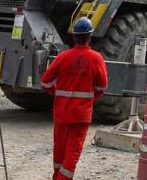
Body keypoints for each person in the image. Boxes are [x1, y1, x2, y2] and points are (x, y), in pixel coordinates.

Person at [41, 17, 108, 180]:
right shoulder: (96, 58)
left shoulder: (63, 57)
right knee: (72, 154)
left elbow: (45, 82)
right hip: (81, 115)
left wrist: (58, 93)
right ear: (89, 36)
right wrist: (89, 98)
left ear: (74, 36)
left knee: (59, 153)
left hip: (62, 113)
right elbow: (102, 87)